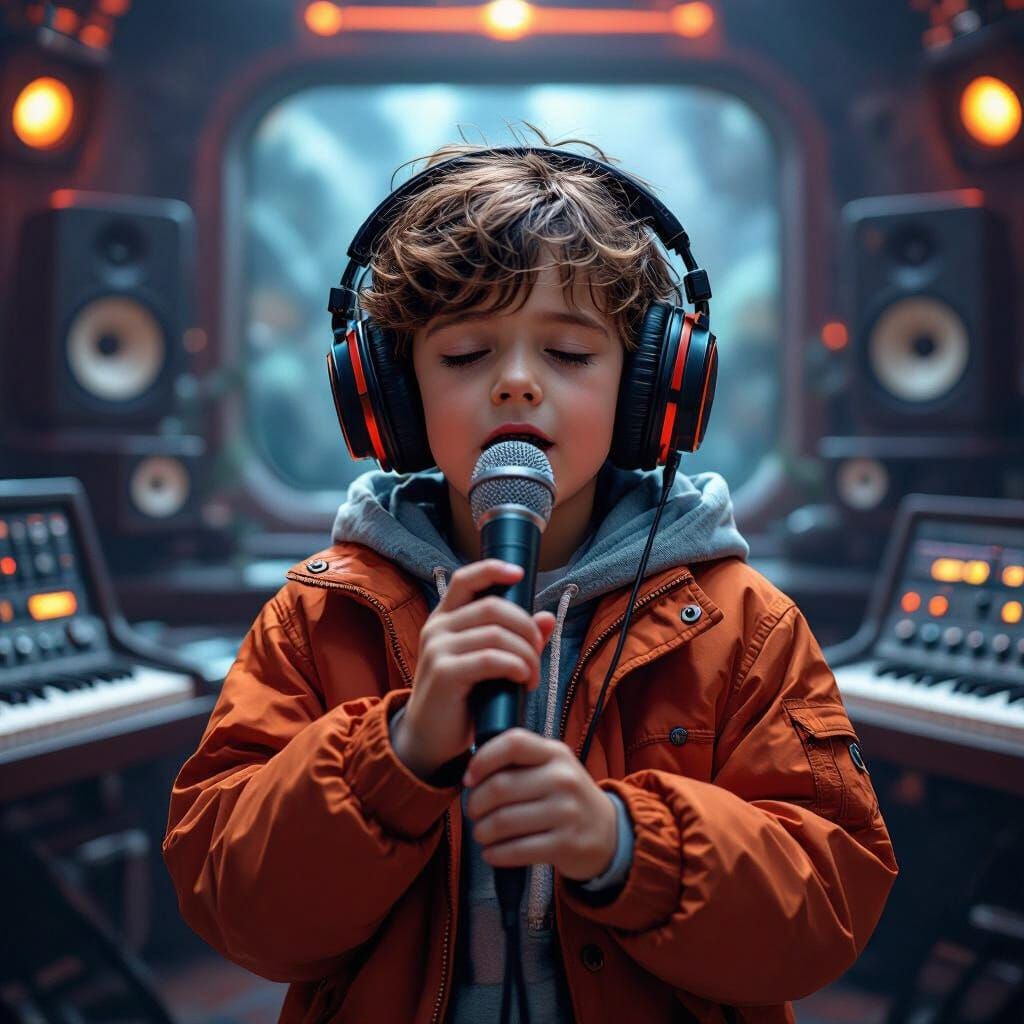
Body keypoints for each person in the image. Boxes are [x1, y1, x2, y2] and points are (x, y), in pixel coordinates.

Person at [162, 124, 898, 1024]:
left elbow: (826, 908)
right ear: (392, 395)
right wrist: (400, 752)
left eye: (571, 354)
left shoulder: (746, 626)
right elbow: (238, 909)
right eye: (465, 355)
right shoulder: (317, 620)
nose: (516, 383)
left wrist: (623, 845)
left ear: (653, 388)